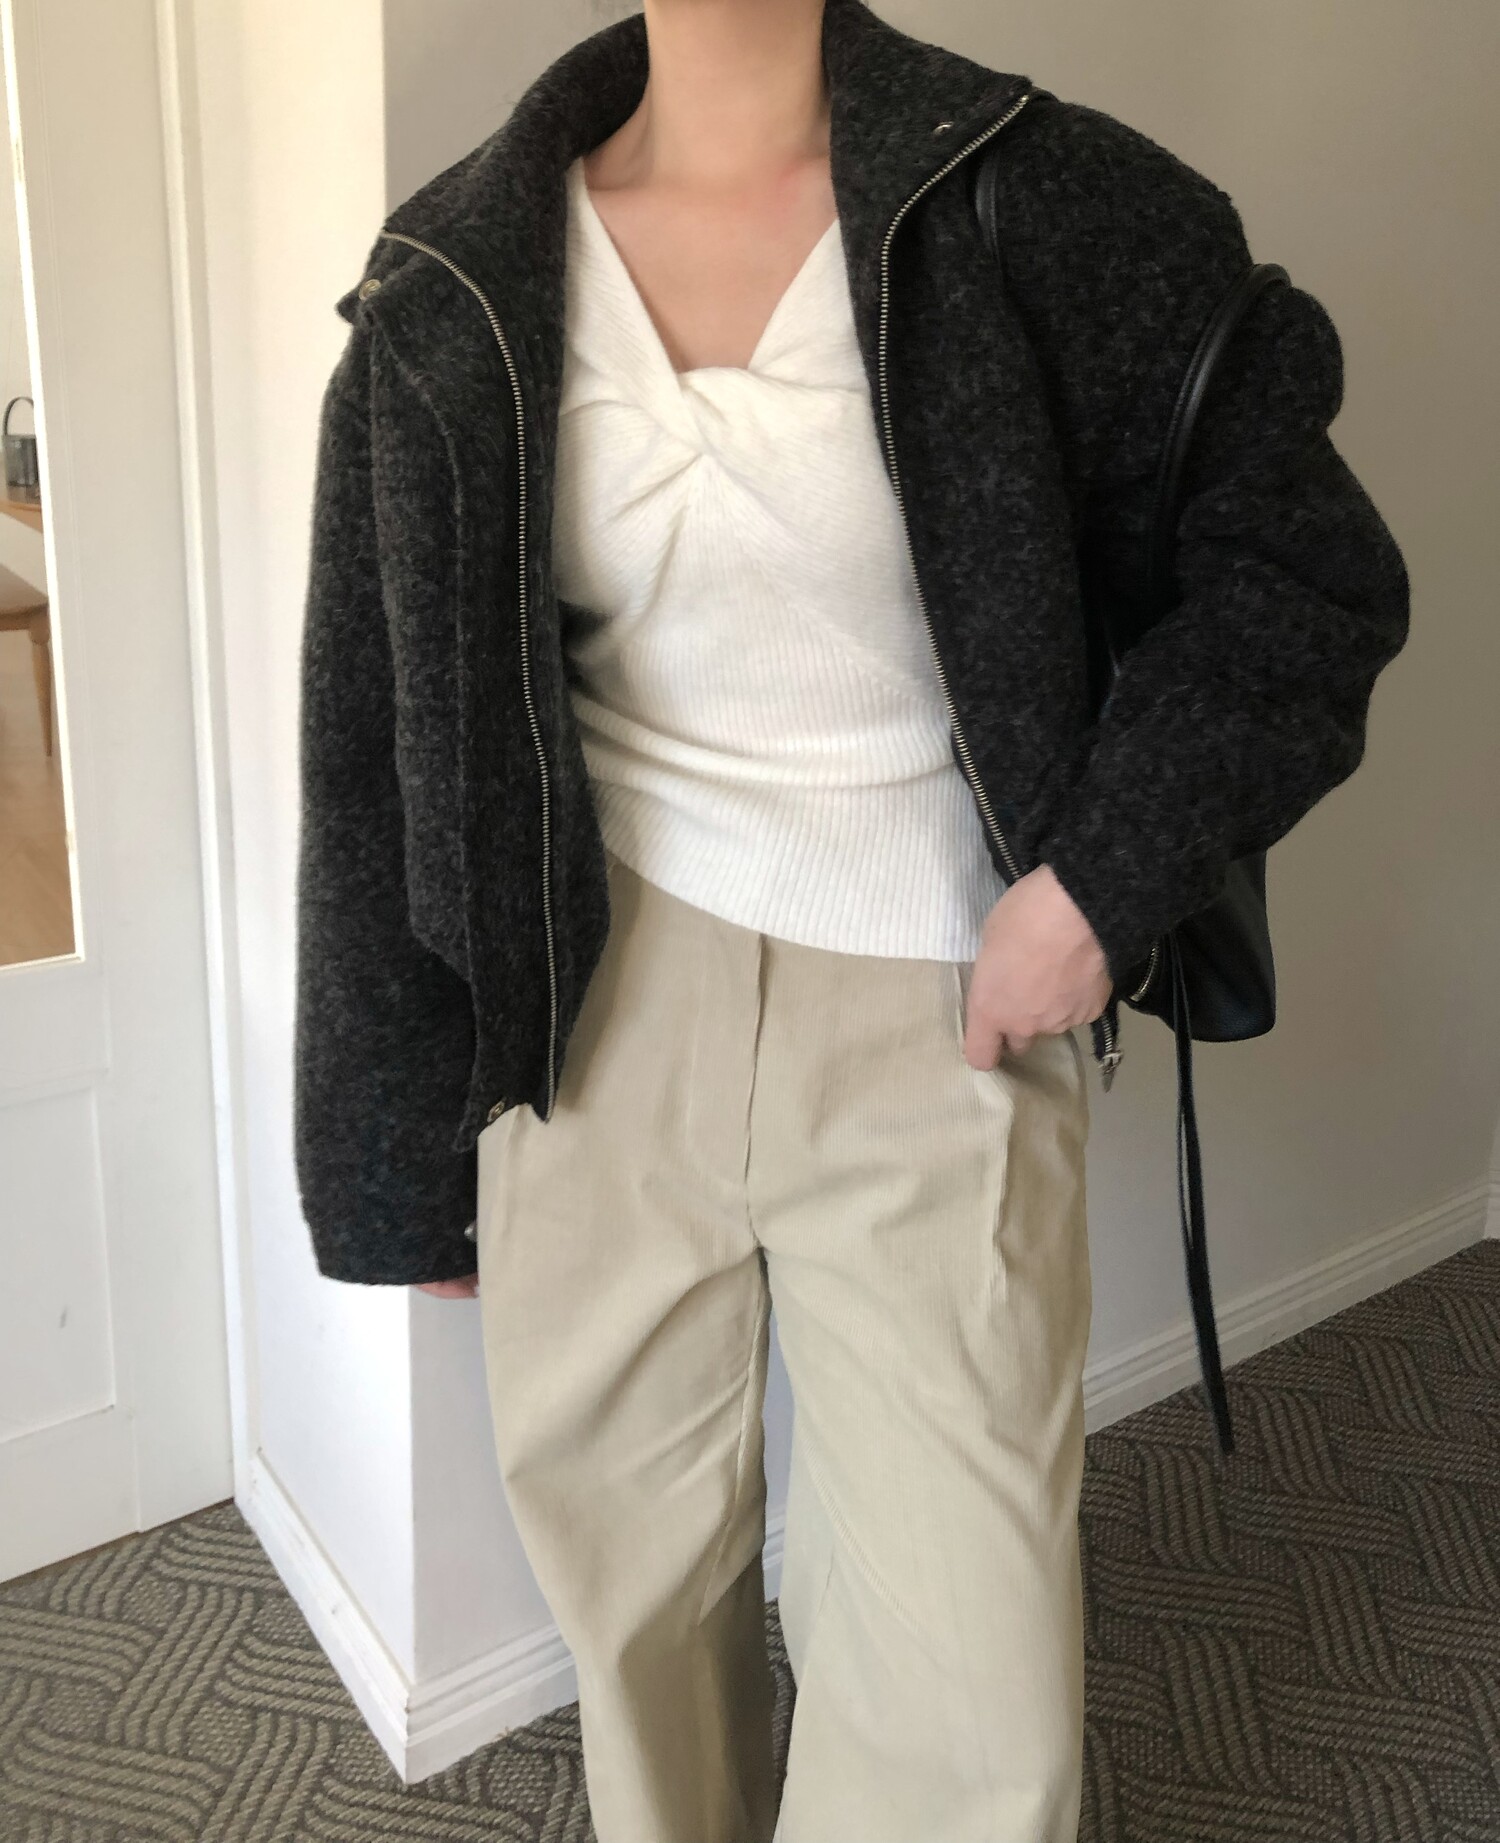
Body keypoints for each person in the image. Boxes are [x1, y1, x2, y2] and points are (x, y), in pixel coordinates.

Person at [292, 1, 1410, 1838]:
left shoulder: (1043, 203)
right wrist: (399, 1147)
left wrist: (1098, 886)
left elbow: (1304, 579)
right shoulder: (456, 268)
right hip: (586, 1009)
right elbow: (375, 743)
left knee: (965, 1664)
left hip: (934, 1000)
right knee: (630, 1588)